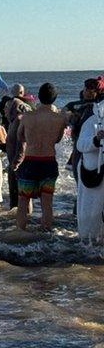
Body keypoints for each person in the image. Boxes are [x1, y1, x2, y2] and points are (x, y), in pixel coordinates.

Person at [12, 82, 69, 231]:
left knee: (23, 200)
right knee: (47, 203)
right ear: (54, 99)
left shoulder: (27, 116)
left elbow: (20, 137)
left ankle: (20, 233)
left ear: (38, 97)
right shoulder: (60, 119)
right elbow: (57, 139)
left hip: (30, 161)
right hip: (49, 162)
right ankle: (46, 235)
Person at [75, 98, 104, 242]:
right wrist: (96, 140)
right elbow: (80, 145)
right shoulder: (91, 122)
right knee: (90, 210)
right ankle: (88, 239)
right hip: (93, 173)